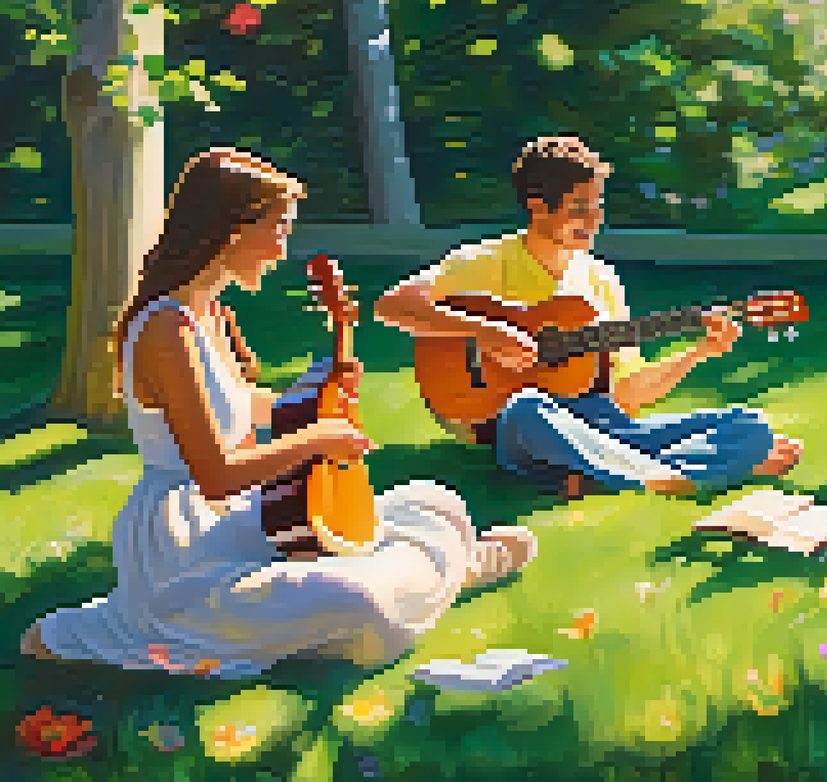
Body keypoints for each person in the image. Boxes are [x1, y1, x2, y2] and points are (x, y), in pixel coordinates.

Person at [19, 148, 536, 675]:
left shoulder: (211, 314)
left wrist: (318, 395)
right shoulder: (166, 330)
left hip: (243, 516)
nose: (282, 247)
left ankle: (432, 572)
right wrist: (318, 440)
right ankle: (449, 571)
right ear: (234, 229)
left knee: (438, 501)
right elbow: (217, 475)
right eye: (279, 228)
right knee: (363, 605)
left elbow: (241, 409)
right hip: (188, 544)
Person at [373, 136, 802, 499]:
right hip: (508, 421)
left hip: (597, 421)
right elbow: (392, 305)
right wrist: (487, 330)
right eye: (579, 208)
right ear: (539, 207)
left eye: (596, 206)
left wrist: (698, 353)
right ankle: (676, 472)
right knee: (527, 409)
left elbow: (627, 395)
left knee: (750, 423)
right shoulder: (481, 262)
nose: (593, 220)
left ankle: (605, 475)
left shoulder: (599, 279)